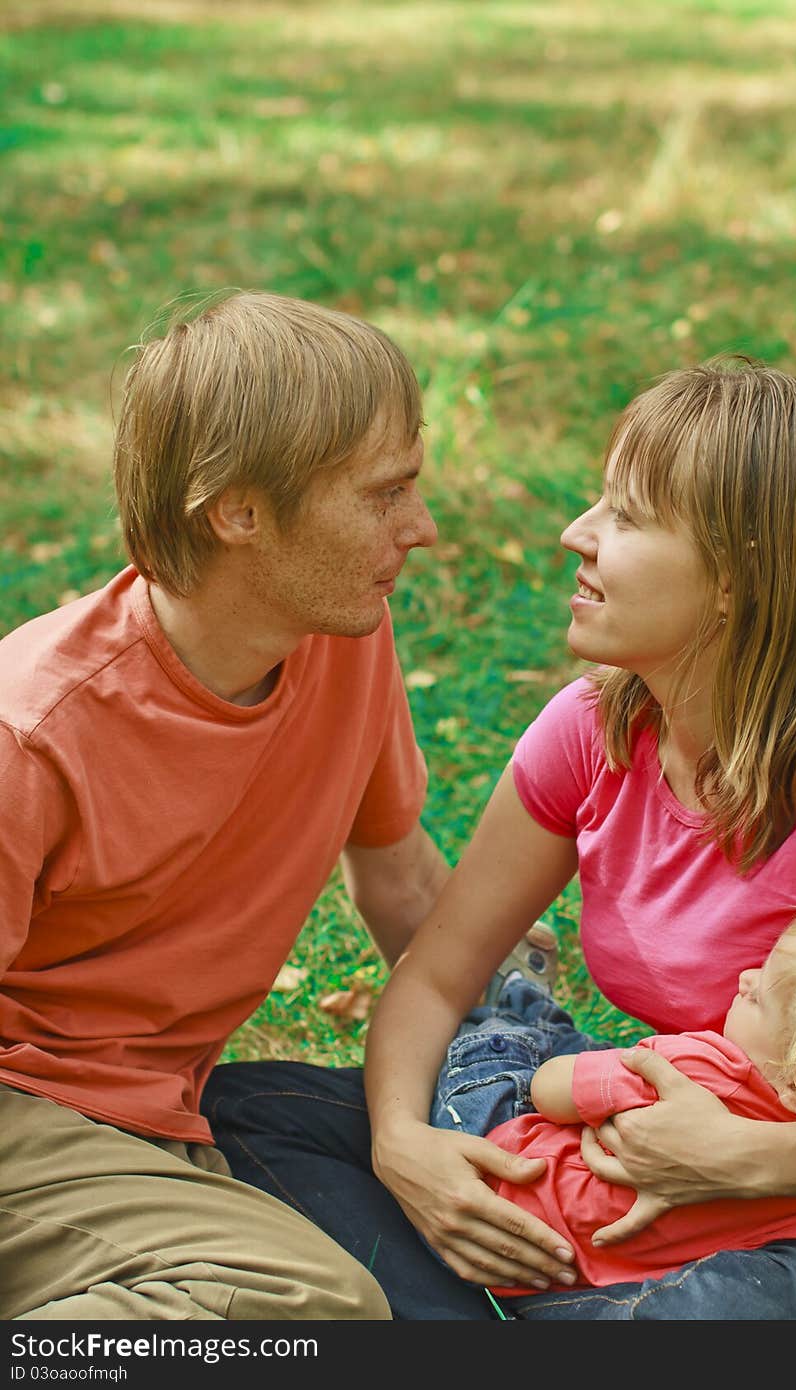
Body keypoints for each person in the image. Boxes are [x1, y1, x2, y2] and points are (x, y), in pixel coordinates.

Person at [206, 358, 796, 1319]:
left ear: (739, 581)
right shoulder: (593, 731)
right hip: (628, 1165)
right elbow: (439, 975)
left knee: (728, 1313)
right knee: (250, 1112)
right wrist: (406, 1149)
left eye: (629, 516)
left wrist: (749, 1158)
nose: (578, 534)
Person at [0, 290, 450, 1321]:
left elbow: (406, 884)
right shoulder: (32, 732)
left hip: (159, 1116)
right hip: (29, 1112)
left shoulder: (342, 640)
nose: (419, 529)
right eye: (384, 494)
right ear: (240, 511)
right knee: (306, 1303)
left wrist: (530, 1065)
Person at [429, 902, 796, 1292]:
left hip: (496, 1176)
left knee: (512, 1046)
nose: (744, 978)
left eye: (759, 994)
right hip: (559, 1268)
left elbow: (549, 1091)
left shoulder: (692, 1069)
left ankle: (517, 997)